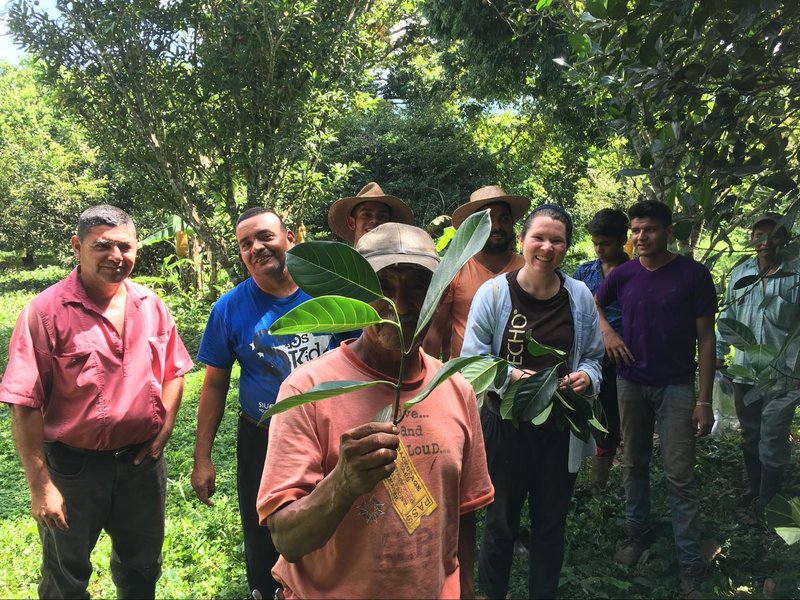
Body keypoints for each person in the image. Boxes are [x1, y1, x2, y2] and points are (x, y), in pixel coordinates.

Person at [257, 222, 494, 599]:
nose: (401, 306)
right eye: (383, 287)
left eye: (419, 287)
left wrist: (464, 591)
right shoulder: (306, 390)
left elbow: (463, 514)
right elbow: (286, 538)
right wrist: (343, 483)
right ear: (354, 296)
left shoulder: (456, 388)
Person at [0, 205, 193, 599]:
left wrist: (166, 425)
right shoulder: (45, 313)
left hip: (141, 467)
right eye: (102, 246)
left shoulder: (150, 305)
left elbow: (175, 371)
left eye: (125, 246)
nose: (115, 257)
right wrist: (41, 487)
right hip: (73, 471)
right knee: (65, 578)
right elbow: (24, 404)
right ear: (77, 247)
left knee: (142, 568)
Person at [191, 208, 347, 599]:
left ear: (289, 237)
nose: (256, 249)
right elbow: (214, 384)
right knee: (264, 530)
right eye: (245, 244)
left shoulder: (331, 293)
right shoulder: (229, 308)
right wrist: (202, 457)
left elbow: (360, 356)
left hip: (330, 434)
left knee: (338, 521)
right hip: (262, 436)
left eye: (264, 237)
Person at [461, 204, 604, 599]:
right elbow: (472, 360)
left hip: (560, 428)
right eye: (538, 237)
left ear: (566, 248)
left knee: (550, 522)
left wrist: (586, 377)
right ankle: (493, 593)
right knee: (500, 521)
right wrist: (513, 376)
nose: (546, 247)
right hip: (507, 426)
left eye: (557, 240)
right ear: (523, 241)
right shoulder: (492, 294)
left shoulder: (579, 296)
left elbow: (594, 356)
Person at [595, 200, 716, 598]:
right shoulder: (625, 274)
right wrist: (609, 334)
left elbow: (706, 339)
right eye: (635, 230)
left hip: (677, 386)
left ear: (667, 231)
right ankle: (636, 535)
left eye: (648, 229)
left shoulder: (693, 276)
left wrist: (704, 400)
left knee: (679, 475)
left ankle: (690, 563)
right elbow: (595, 304)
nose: (640, 237)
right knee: (634, 464)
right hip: (630, 382)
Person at [716, 212, 800, 516]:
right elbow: (728, 317)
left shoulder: (796, 275)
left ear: (786, 239)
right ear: (752, 239)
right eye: (759, 235)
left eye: (774, 234)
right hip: (745, 371)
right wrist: (719, 352)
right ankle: (755, 488)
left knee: (773, 435)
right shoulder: (741, 275)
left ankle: (768, 500)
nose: (766, 241)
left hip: (785, 375)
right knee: (750, 434)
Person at [423, 185, 529, 360]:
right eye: (488, 218)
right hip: (465, 377)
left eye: (504, 218)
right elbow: (435, 332)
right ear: (475, 226)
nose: (497, 226)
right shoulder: (454, 269)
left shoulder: (527, 268)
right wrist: (431, 382)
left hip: (516, 375)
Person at [572, 208, 629, 493]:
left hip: (622, 361)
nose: (599, 249)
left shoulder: (636, 274)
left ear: (622, 240)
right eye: (595, 243)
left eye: (605, 243)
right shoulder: (584, 272)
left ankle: (598, 486)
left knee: (610, 423)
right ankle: (572, 477)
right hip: (585, 359)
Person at [327, 181, 415, 245]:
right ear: (352, 223)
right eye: (366, 215)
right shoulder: (343, 264)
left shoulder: (398, 267)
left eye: (382, 216)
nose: (374, 220)